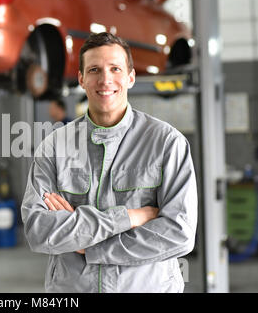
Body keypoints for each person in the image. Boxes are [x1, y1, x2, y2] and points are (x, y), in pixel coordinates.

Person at [21, 32, 197, 293]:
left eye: (115, 68)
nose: (105, 80)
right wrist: (129, 217)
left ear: (131, 76)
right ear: (81, 79)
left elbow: (178, 233)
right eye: (94, 70)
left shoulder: (167, 143)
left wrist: (91, 245)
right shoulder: (54, 147)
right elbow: (39, 230)